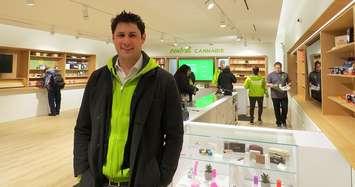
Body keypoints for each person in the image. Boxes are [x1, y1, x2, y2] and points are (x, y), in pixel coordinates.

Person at [73, 11, 184, 187]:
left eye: (132, 35)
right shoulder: (97, 78)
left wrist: (162, 178)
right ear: (113, 38)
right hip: (96, 180)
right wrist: (83, 169)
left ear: (143, 37)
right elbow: (82, 128)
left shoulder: (164, 81)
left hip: (142, 181)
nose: (126, 41)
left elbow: (174, 135)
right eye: (121, 35)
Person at [267, 62, 291, 128]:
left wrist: (288, 86)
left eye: (279, 68)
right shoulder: (270, 75)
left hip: (284, 95)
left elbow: (289, 82)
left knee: (285, 109)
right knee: (276, 110)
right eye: (276, 68)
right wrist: (271, 85)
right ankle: (278, 123)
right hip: (275, 96)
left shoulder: (285, 74)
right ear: (274, 68)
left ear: (281, 67)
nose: (278, 69)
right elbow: (267, 84)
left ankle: (283, 121)